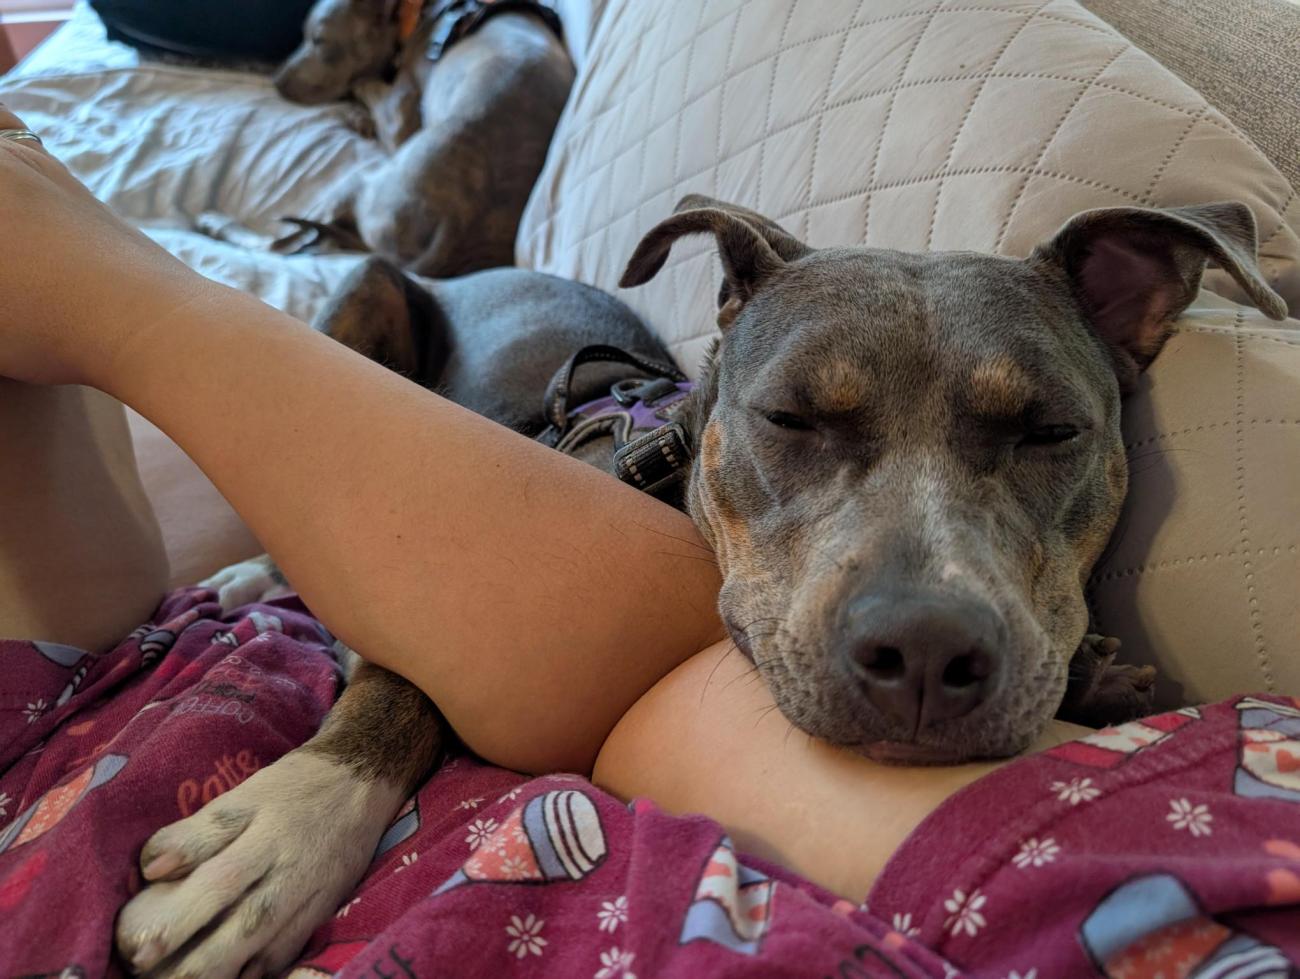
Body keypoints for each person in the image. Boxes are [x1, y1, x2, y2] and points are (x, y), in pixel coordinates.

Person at [1, 111, 1296, 977]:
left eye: (1034, 439)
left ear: (1125, 341)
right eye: (798, 422)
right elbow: (467, 608)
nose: (928, 592)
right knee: (368, 305)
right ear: (730, 367)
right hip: (435, 335)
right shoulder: (625, 474)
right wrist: (360, 759)